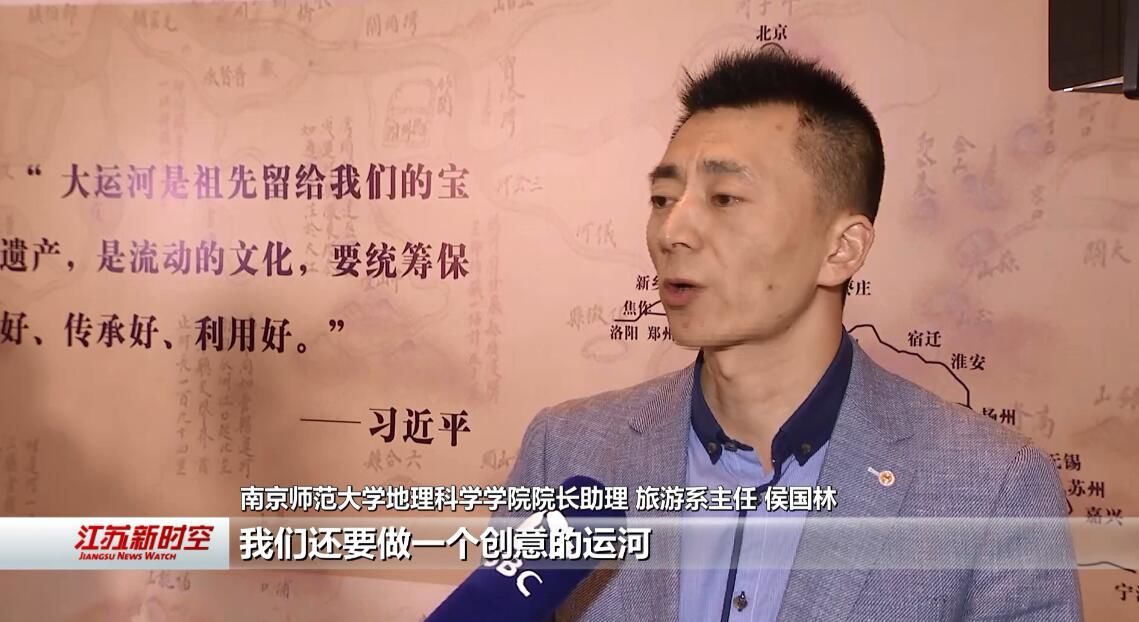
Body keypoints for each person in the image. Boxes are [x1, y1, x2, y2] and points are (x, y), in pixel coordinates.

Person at [499, 48, 1082, 621]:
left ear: (841, 249)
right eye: (662, 199)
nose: (672, 230)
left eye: (725, 199)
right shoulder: (566, 451)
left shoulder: (991, 488)